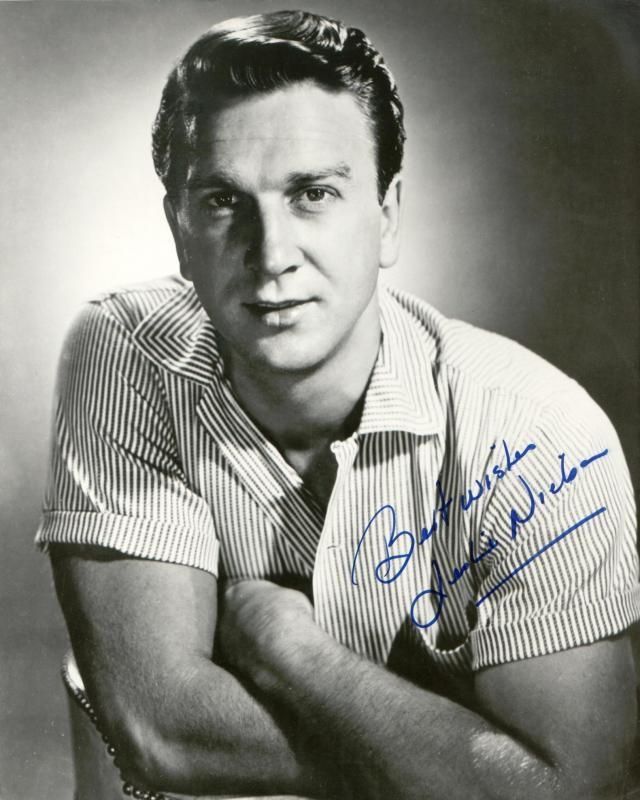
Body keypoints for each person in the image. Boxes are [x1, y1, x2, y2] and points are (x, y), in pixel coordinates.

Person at [37, 9, 639, 800]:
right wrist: (452, 758)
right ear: (179, 232)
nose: (273, 256)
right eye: (223, 202)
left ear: (386, 215)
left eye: (312, 194)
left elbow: (578, 788)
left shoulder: (536, 428)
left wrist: (293, 651)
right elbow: (159, 732)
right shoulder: (122, 351)